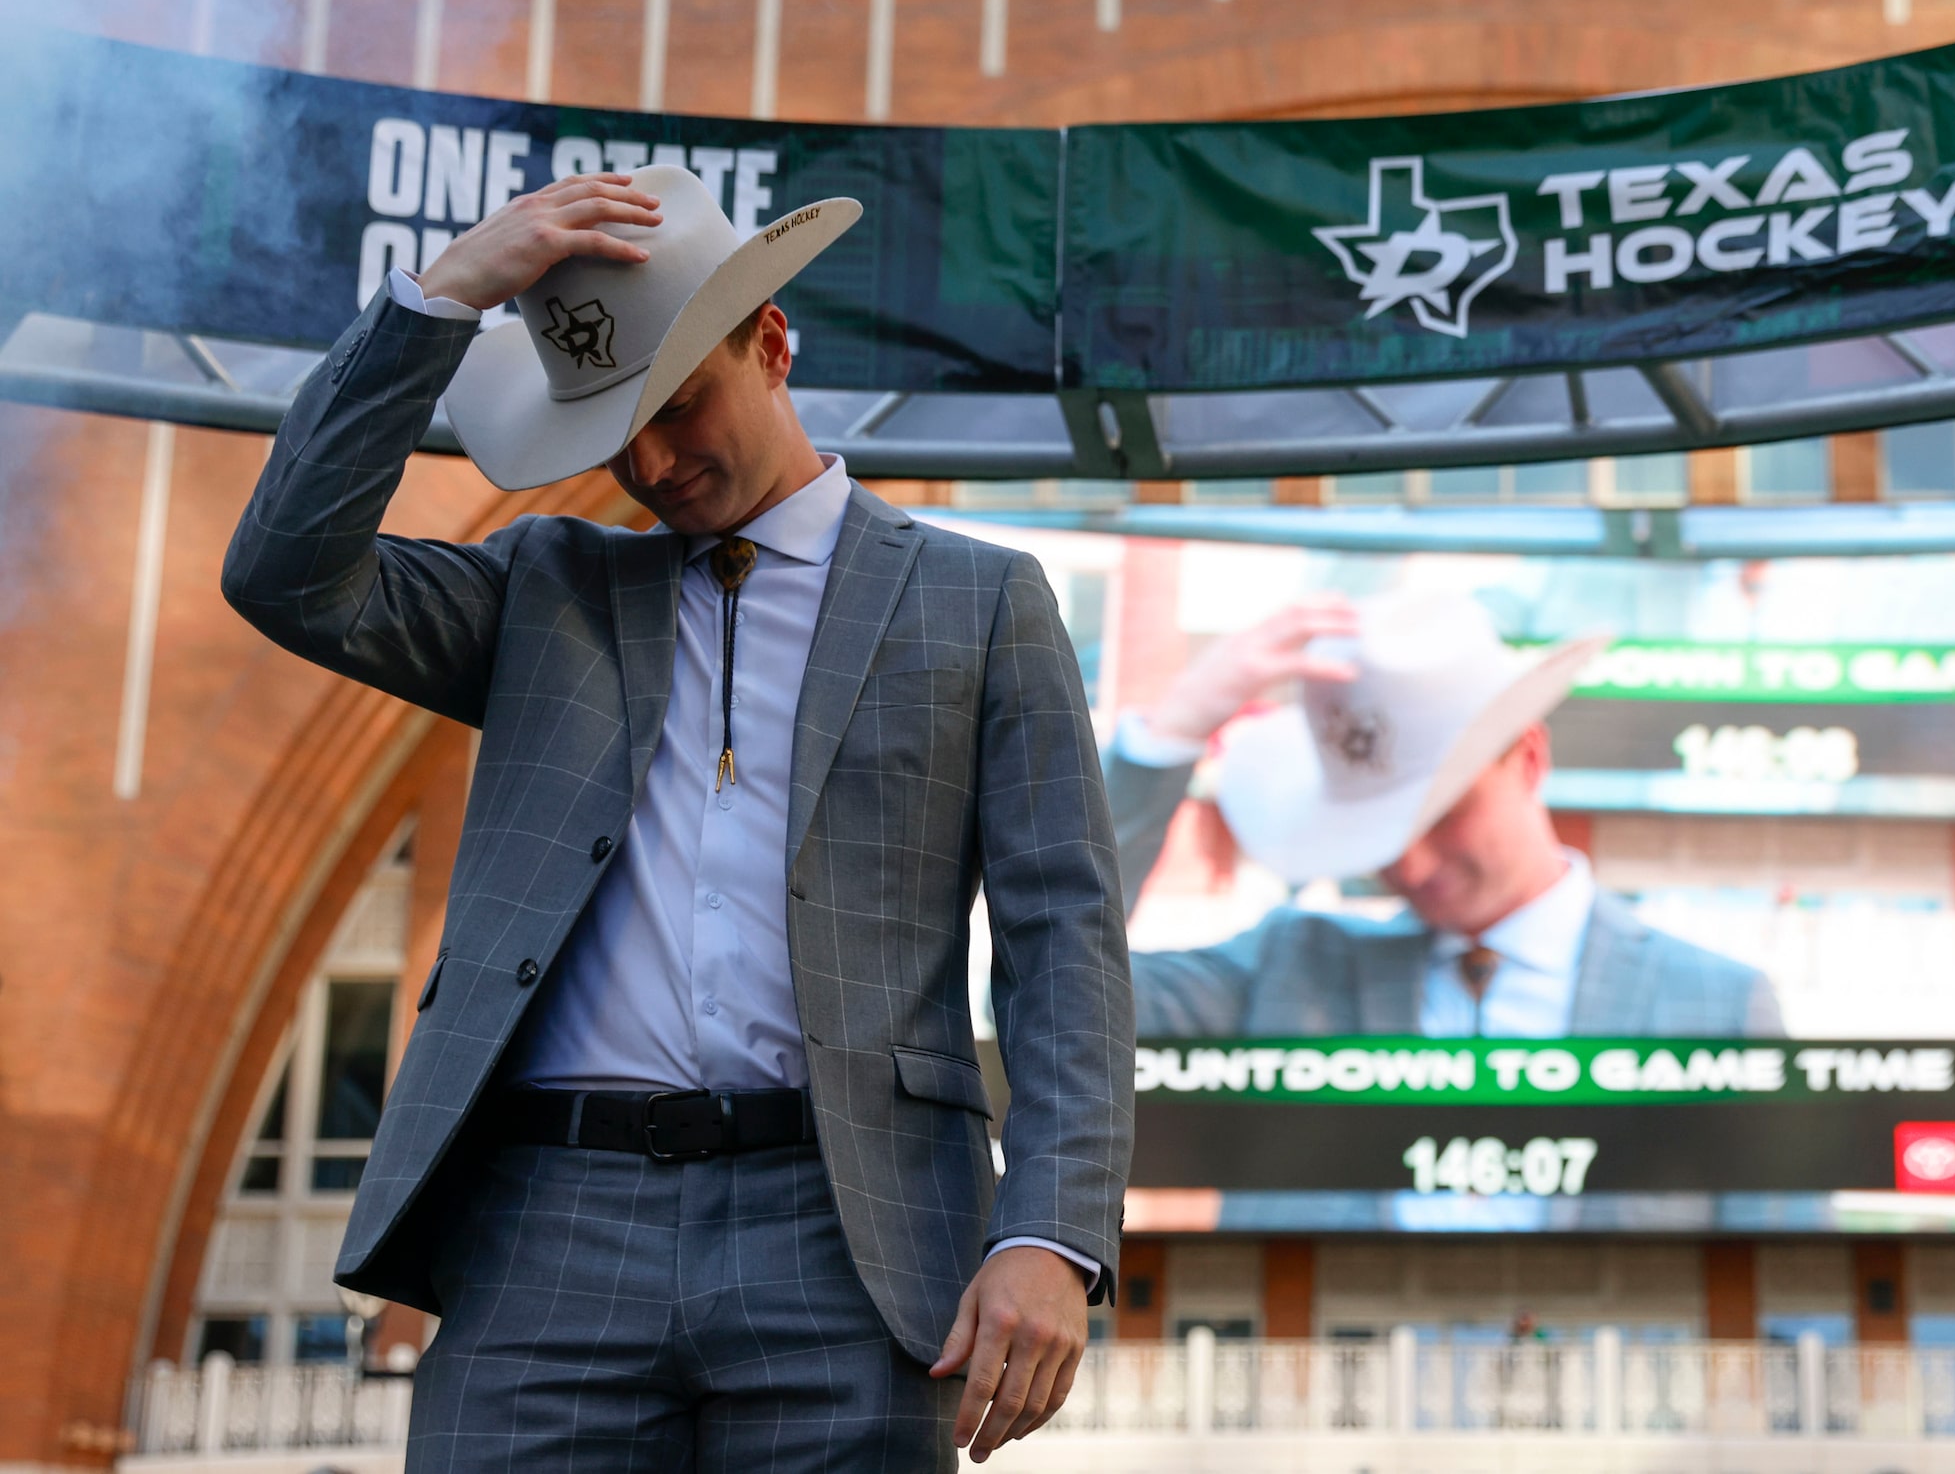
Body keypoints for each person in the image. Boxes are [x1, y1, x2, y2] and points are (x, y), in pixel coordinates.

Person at [222, 165, 1133, 1471]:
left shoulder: (980, 603)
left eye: (679, 404)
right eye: (616, 434)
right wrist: (441, 296)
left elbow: (1067, 944)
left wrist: (1050, 1230)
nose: (650, 463)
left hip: (853, 1226)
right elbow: (285, 573)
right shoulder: (544, 586)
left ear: (770, 344)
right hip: (546, 1225)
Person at [1106, 591, 1783, 1037]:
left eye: (1439, 815)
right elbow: (1058, 1015)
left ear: (1527, 758)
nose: (1407, 862)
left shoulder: (1720, 1006)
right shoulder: (1289, 968)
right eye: (1374, 832)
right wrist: (1169, 736)